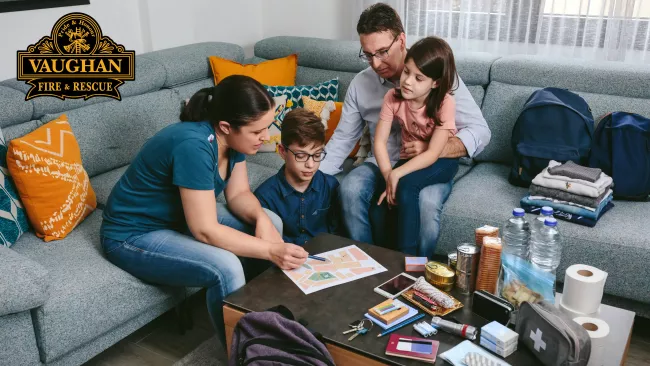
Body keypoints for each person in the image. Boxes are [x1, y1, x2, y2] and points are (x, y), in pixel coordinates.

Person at [99, 75, 308, 345]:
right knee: (226, 267)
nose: (266, 138)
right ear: (225, 126)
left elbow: (239, 194)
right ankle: (241, 354)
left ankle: (267, 319)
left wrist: (260, 219)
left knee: (271, 221)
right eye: (257, 132)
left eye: (266, 128)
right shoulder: (194, 145)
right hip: (131, 235)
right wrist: (270, 250)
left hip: (175, 219)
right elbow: (205, 230)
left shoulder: (233, 141)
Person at [319, 3, 490, 257]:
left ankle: (416, 276)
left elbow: (480, 131)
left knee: (427, 204)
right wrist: (310, 176)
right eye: (368, 54)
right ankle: (369, 266)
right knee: (350, 189)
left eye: (382, 52)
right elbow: (343, 139)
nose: (375, 63)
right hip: (381, 163)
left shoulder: (436, 75)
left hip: (428, 162)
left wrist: (433, 148)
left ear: (401, 40)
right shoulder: (362, 84)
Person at [375, 36, 459, 255]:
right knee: (385, 199)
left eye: (418, 78)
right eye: (406, 72)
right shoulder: (392, 98)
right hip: (410, 159)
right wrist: (388, 176)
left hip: (442, 161)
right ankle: (386, 258)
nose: (408, 81)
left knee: (407, 185)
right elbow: (379, 142)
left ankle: (409, 261)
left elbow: (432, 154)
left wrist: (398, 175)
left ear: (436, 83)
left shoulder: (445, 103)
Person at [255, 108, 342, 245]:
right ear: (282, 152)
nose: (311, 164)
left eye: (317, 155)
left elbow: (337, 234)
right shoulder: (265, 197)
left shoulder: (331, 186)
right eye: (301, 156)